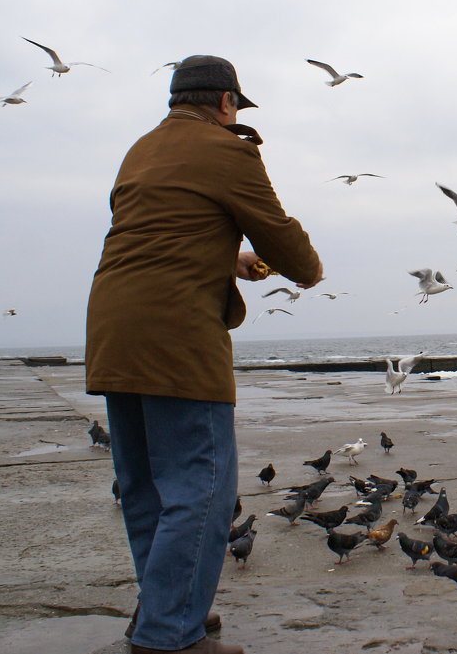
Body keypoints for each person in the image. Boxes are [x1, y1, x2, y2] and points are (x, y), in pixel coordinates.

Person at [86, 55, 322, 654]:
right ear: (225, 103)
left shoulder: (142, 149)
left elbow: (163, 236)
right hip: (178, 341)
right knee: (202, 488)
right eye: (237, 107)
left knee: (145, 488)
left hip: (114, 331)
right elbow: (284, 239)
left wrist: (229, 260)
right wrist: (307, 270)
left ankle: (166, 608)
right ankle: (169, 635)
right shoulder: (229, 151)